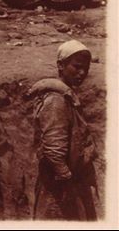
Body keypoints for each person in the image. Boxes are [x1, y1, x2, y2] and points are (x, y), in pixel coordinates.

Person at [29, 39, 98, 220]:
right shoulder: (56, 101)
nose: (82, 73)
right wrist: (67, 181)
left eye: (85, 68)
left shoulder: (66, 96)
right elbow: (54, 149)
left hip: (70, 182)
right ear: (61, 65)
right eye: (77, 67)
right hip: (59, 188)